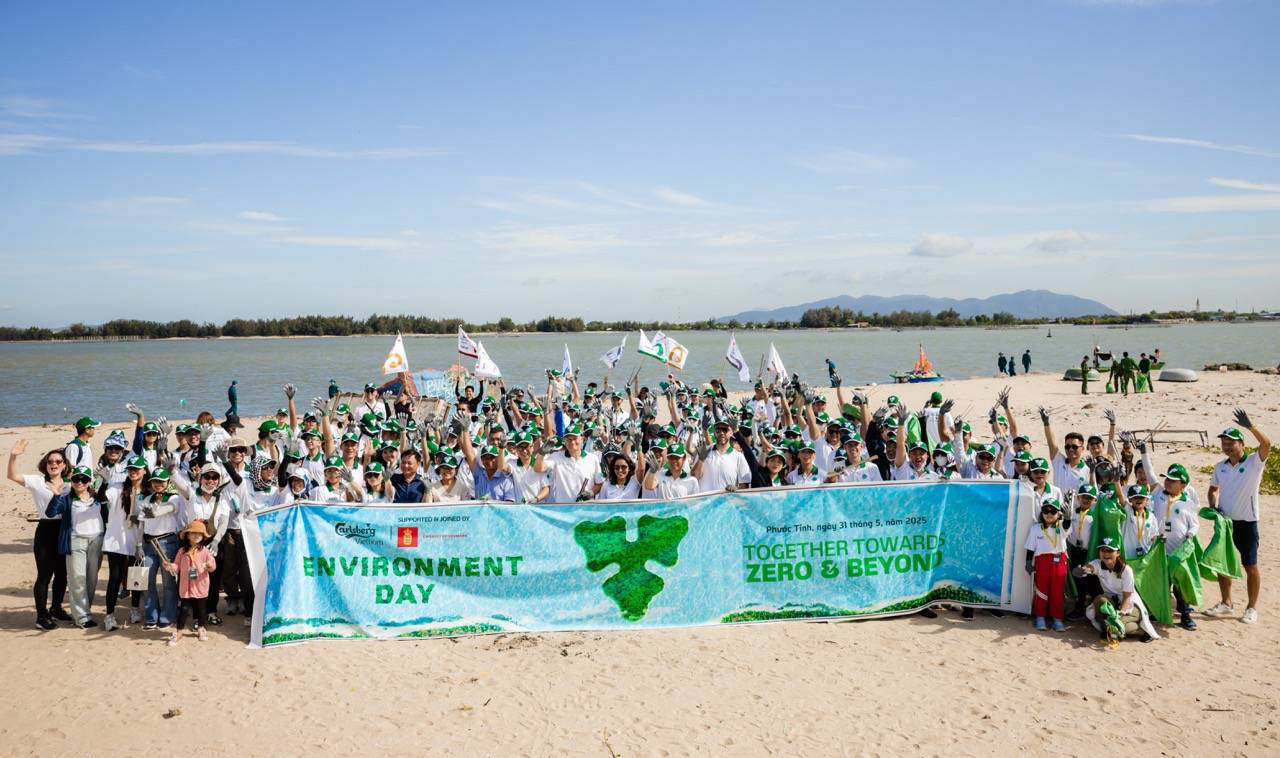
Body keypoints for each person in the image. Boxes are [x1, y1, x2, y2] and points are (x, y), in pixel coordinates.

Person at [1205, 410, 1270, 624]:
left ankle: (1251, 608)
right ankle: (1226, 603)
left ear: (1241, 444)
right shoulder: (1220, 467)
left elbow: (1266, 444)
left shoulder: (1253, 462)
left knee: (1250, 565)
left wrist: (1251, 427)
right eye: (1224, 442)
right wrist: (1213, 506)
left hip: (1247, 522)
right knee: (1223, 564)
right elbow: (1213, 489)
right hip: (1225, 523)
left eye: (1231, 442)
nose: (1227, 446)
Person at [7, 441, 72, 629]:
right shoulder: (37, 481)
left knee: (62, 574)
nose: (54, 463)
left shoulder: (70, 484)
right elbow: (12, 476)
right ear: (45, 465)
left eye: (58, 461)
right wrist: (13, 456)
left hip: (63, 530)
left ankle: (56, 609)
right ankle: (41, 616)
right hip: (45, 529)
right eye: (50, 461)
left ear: (64, 465)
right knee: (44, 575)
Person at [44, 465, 108, 628]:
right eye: (76, 479)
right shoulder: (66, 498)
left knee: (91, 578)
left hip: (97, 540)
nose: (80, 482)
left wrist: (106, 481)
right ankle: (82, 617)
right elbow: (51, 513)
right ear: (71, 481)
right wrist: (56, 495)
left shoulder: (97, 498)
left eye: (84, 479)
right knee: (77, 578)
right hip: (76, 540)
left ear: (89, 481)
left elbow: (109, 512)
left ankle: (85, 609)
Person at [1077, 537, 1160, 646]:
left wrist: (1120, 613)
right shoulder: (1098, 564)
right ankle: (1108, 630)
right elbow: (1090, 568)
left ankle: (1141, 630)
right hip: (1112, 602)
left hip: (1130, 605)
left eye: (1110, 551)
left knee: (1120, 626)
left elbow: (1127, 597)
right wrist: (1082, 570)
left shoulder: (1126, 571)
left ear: (1118, 553)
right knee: (1099, 601)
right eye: (1103, 550)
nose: (1106, 554)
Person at [102, 455, 147, 630]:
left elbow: (151, 516)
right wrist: (105, 482)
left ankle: (135, 609)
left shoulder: (148, 490)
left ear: (144, 470)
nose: (133, 472)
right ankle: (109, 615)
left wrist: (139, 517)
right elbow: (101, 497)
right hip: (116, 539)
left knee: (136, 576)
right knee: (115, 577)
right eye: (130, 469)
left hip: (137, 539)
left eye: (137, 469)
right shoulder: (118, 487)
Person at [135, 467, 182, 630]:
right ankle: (151, 617)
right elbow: (141, 523)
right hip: (148, 543)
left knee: (169, 582)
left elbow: (166, 509)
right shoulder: (146, 498)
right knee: (147, 582)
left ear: (168, 482)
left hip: (167, 543)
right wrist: (138, 544)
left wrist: (153, 511)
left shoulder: (174, 498)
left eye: (161, 481)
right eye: (155, 481)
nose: (158, 484)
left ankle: (167, 616)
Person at [166, 520, 217, 645]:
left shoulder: (205, 551)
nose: (196, 536)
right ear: (188, 535)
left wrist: (210, 564)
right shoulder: (182, 551)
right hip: (185, 587)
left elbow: (213, 566)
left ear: (203, 536)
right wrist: (170, 566)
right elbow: (176, 566)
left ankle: (201, 628)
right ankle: (179, 631)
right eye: (193, 533)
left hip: (200, 586)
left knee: (201, 610)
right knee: (183, 609)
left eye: (199, 534)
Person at [1025, 498, 1069, 632]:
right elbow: (1030, 548)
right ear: (1042, 512)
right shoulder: (1035, 529)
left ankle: (1057, 619)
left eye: (1053, 511)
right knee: (1041, 591)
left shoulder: (1061, 525)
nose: (1049, 514)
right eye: (1046, 510)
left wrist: (1067, 518)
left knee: (1057, 592)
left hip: (1059, 562)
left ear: (1059, 513)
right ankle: (1040, 617)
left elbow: (1067, 527)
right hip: (1041, 562)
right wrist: (1028, 562)